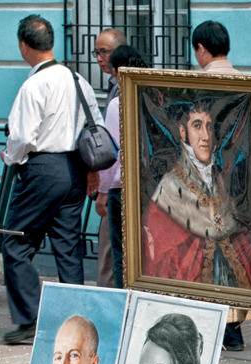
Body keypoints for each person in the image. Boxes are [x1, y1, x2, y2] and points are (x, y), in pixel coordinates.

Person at [0, 15, 104, 344]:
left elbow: (22, 136)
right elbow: (95, 122)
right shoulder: (77, 79)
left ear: (23, 45)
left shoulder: (34, 85)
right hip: (75, 167)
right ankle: (78, 322)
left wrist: (10, 158)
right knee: (68, 247)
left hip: (43, 168)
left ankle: (30, 318)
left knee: (15, 243)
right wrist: (90, 171)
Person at [140, 98, 251, 290]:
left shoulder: (218, 178)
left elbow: (230, 223)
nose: (205, 136)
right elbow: (159, 248)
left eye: (209, 127)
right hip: (191, 280)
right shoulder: (169, 185)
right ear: (183, 132)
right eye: (197, 126)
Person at [191, 20, 248, 352]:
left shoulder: (199, 84)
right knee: (233, 252)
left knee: (207, 254)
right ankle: (234, 329)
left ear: (201, 48)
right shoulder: (245, 82)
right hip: (239, 182)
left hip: (207, 181)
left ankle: (214, 327)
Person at [96, 45, 149, 290]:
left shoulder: (118, 103)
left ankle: (125, 305)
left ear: (116, 72)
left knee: (121, 255)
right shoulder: (153, 97)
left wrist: (103, 192)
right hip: (151, 188)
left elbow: (112, 153)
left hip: (122, 188)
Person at [92, 28, 127, 287]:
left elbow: (113, 149)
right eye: (96, 53)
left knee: (111, 253)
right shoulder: (113, 86)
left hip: (116, 186)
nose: (99, 58)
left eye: (104, 52)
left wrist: (103, 191)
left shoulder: (118, 94)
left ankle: (109, 306)